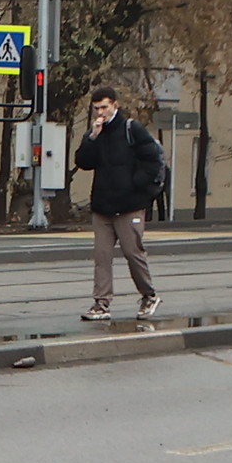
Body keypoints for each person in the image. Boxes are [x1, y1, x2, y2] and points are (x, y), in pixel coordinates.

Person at [73, 87, 169, 321]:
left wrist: (135, 185)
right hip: (103, 205)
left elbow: (153, 161)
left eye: (104, 107)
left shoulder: (131, 128)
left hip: (129, 204)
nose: (100, 112)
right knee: (102, 256)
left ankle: (148, 295)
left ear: (115, 105)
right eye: (96, 108)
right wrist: (92, 137)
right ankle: (101, 303)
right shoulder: (97, 132)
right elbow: (83, 162)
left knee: (132, 252)